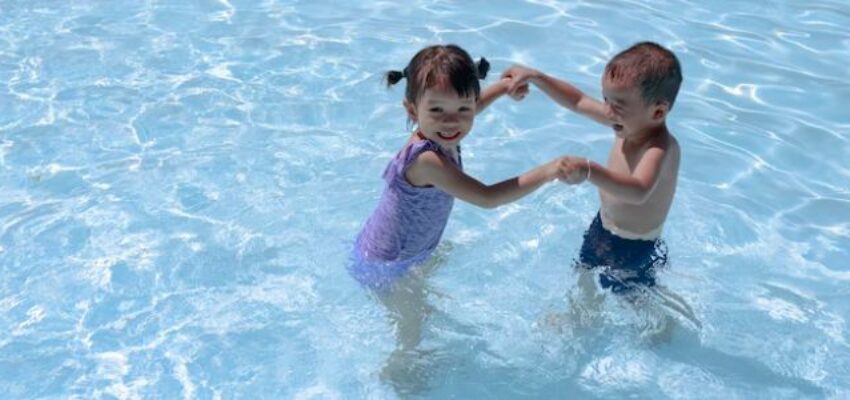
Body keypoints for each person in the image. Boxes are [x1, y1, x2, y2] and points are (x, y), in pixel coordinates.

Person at [351, 44, 580, 293]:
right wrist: (550, 171)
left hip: (406, 250)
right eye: (437, 110)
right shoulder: (427, 160)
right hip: (388, 266)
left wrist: (504, 88)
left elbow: (470, 107)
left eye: (463, 109)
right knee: (413, 328)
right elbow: (487, 198)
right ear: (412, 111)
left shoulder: (441, 132)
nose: (451, 121)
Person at [502, 41, 682, 295]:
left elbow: (638, 191)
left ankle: (663, 329)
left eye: (617, 105)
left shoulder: (659, 148)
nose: (607, 111)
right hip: (603, 227)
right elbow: (577, 101)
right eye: (606, 99)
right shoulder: (627, 123)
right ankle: (579, 317)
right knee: (583, 272)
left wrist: (589, 171)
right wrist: (536, 77)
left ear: (657, 112)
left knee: (635, 300)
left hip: (635, 245)